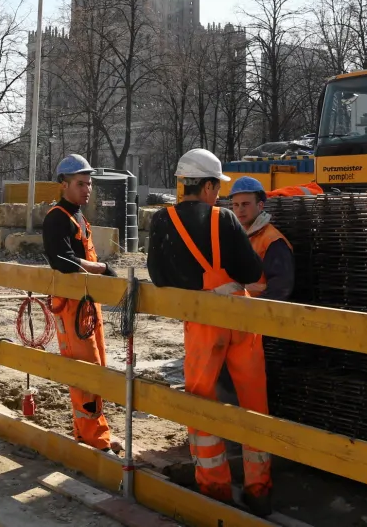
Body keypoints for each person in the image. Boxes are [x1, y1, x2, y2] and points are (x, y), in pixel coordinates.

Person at [147, 148, 272, 514]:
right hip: (240, 319)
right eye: (217, 187)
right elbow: (252, 273)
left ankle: (214, 489)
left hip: (201, 322)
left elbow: (158, 276)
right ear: (206, 186)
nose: (219, 195)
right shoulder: (225, 220)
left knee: (200, 404)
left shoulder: (162, 221)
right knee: (254, 404)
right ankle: (259, 490)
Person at [40, 153, 120, 452]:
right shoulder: (57, 218)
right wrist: (102, 269)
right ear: (64, 184)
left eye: (89, 184)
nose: (87, 189)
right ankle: (94, 440)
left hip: (87, 304)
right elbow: (63, 260)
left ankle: (91, 433)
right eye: (80, 184)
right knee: (85, 371)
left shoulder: (78, 217)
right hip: (72, 307)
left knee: (96, 368)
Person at [227, 176, 294, 300]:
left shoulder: (273, 241)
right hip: (234, 307)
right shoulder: (235, 237)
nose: (240, 209)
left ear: (260, 205)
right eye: (236, 205)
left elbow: (279, 289)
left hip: (256, 309)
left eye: (246, 204)